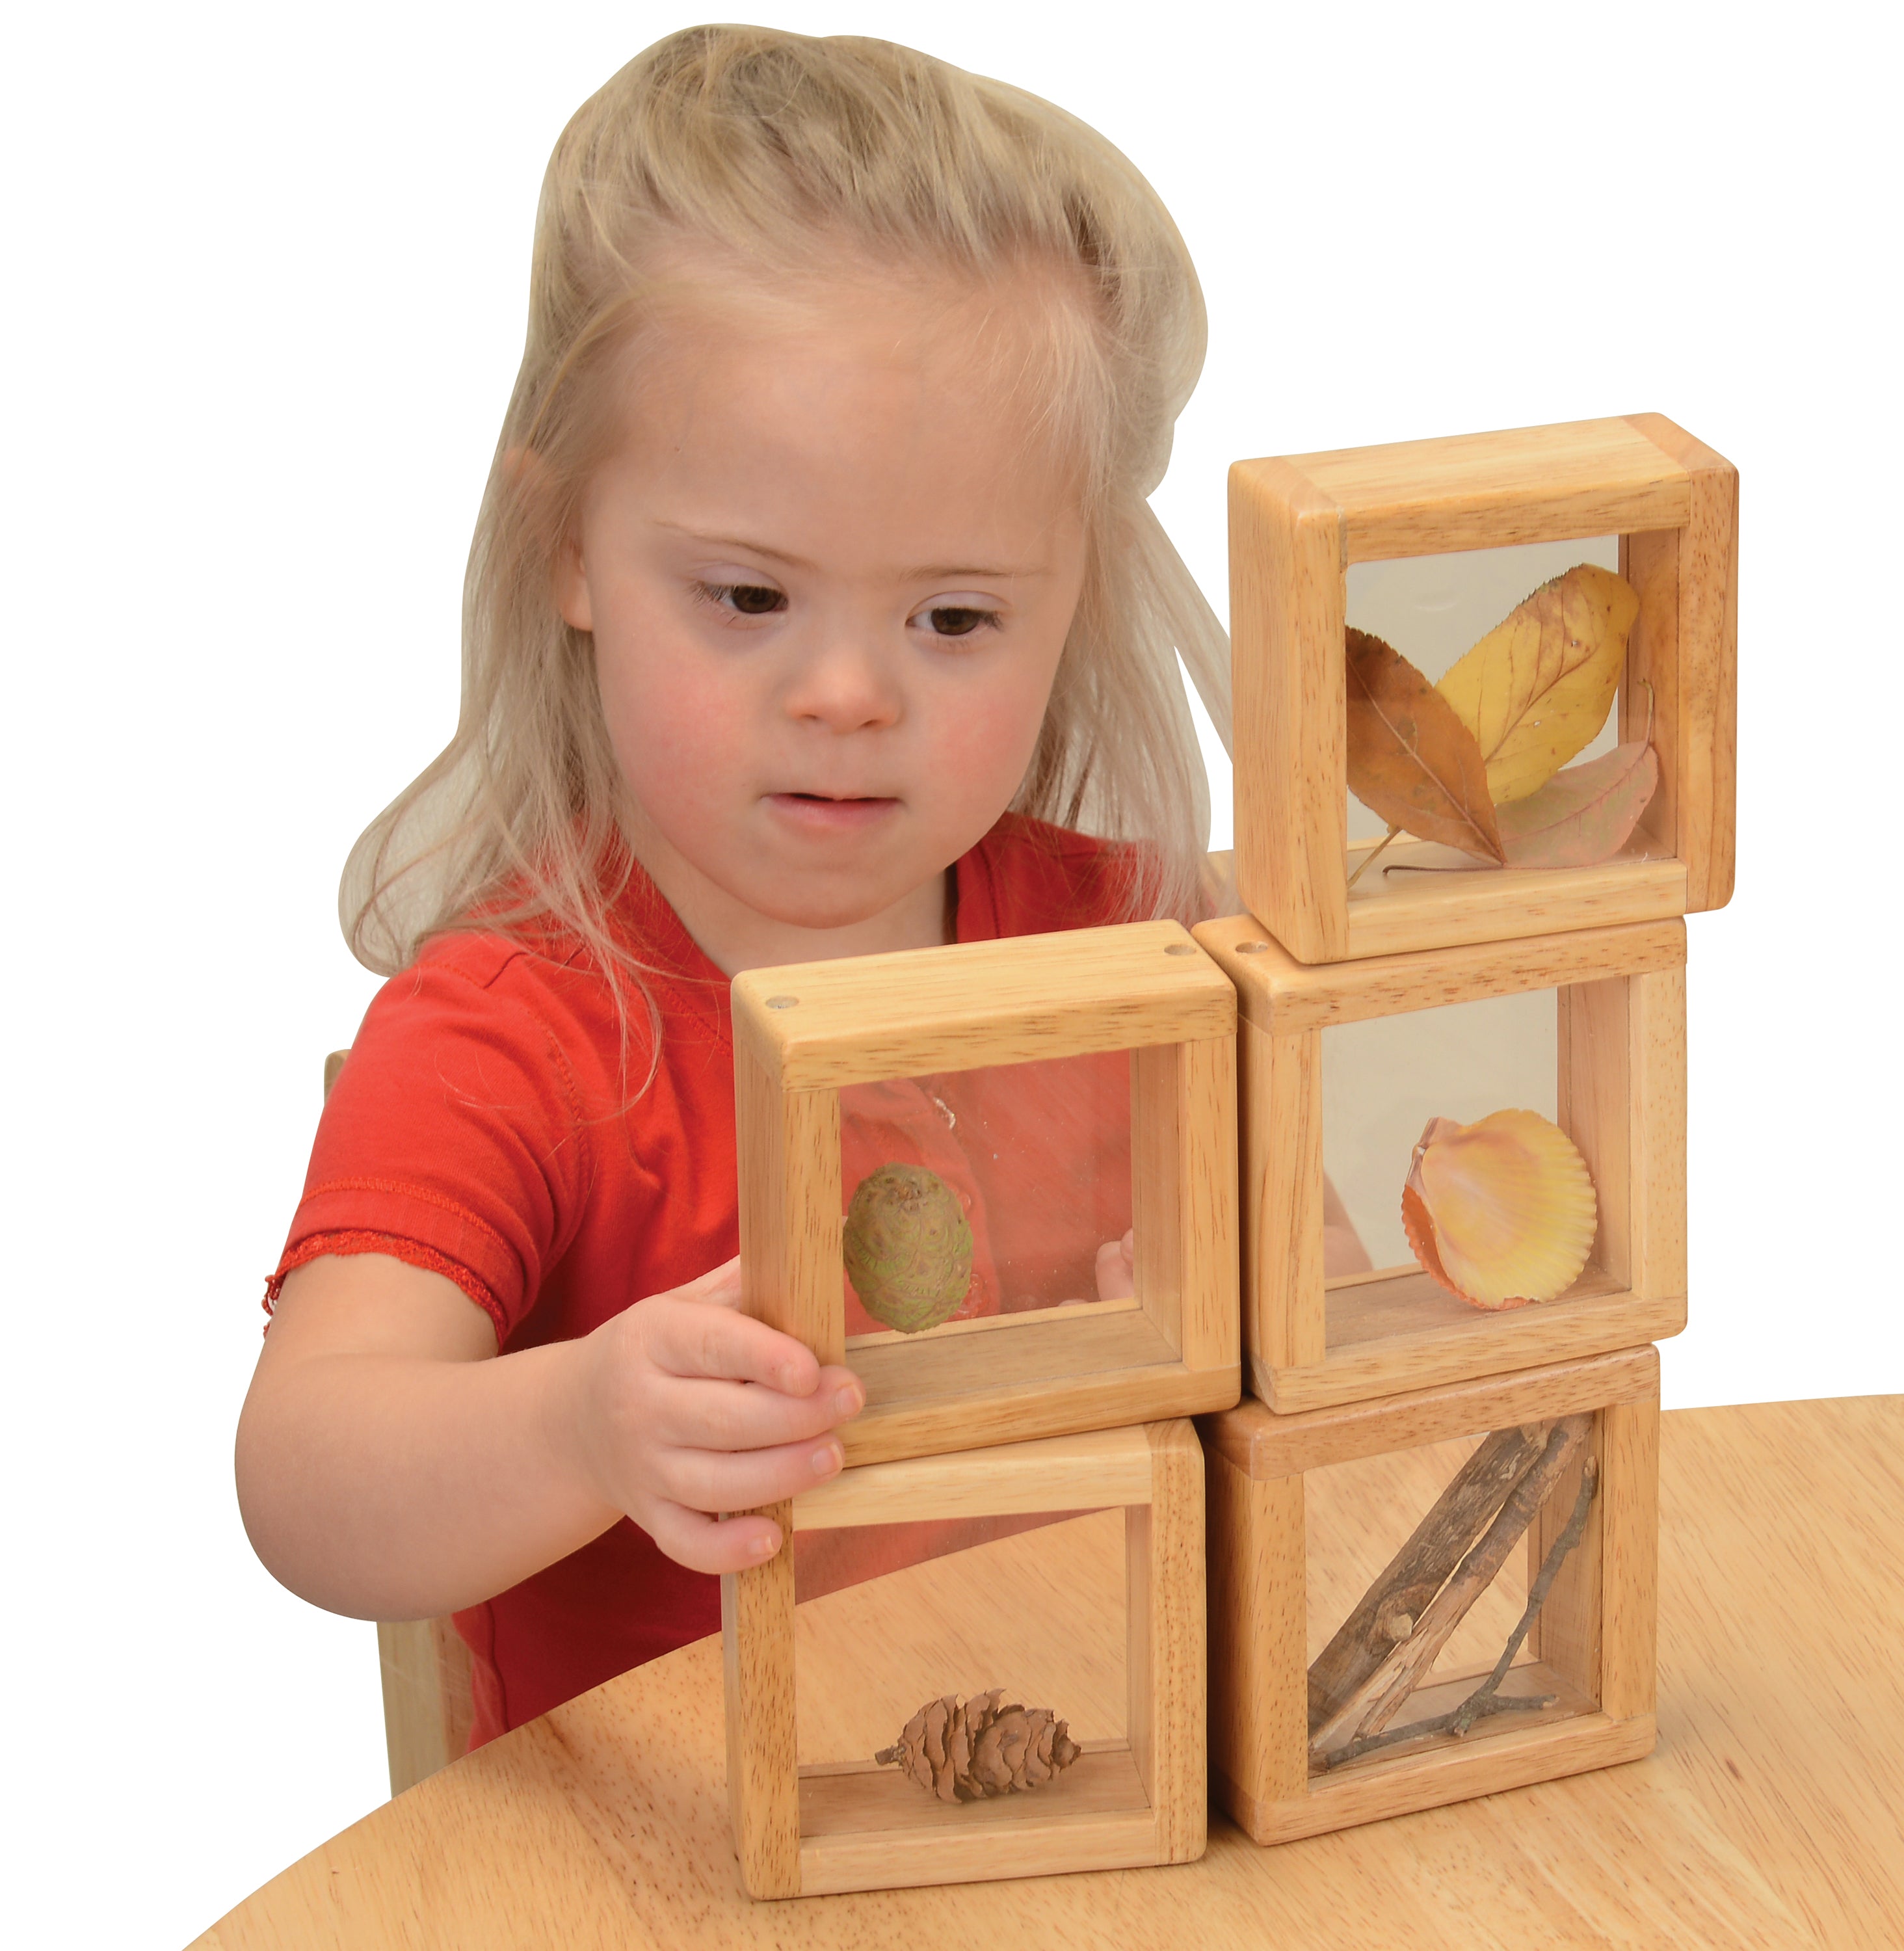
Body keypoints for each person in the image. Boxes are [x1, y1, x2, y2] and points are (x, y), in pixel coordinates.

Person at [234, 24, 1247, 1747]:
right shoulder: (513, 1033)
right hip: (661, 1876)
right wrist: (579, 1429)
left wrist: (1316, 1272)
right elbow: (307, 1479)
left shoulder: (1147, 947)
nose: (848, 695)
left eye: (953, 619)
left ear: (1075, 595)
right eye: (749, 599)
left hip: (1095, 1814)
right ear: (567, 548)